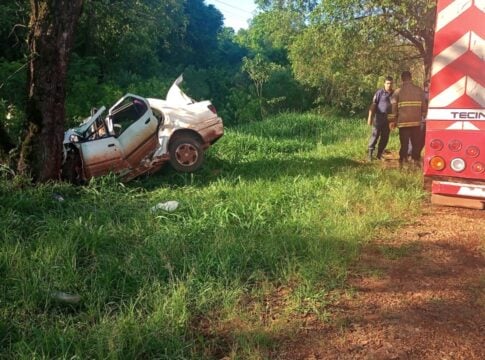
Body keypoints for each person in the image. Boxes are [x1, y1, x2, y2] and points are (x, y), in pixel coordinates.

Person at [389, 71, 427, 167]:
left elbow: (393, 107)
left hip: (403, 123)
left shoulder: (397, 92)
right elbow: (424, 106)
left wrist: (393, 121)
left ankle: (402, 160)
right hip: (416, 122)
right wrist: (423, 115)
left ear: (402, 79)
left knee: (404, 143)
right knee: (416, 142)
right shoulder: (419, 90)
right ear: (411, 78)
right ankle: (415, 159)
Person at [367, 76, 394, 161]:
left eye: (391, 83)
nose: (389, 85)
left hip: (388, 119)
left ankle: (379, 154)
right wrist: (370, 117)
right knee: (375, 136)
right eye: (387, 83)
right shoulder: (379, 93)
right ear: (384, 84)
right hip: (379, 118)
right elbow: (373, 105)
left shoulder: (394, 94)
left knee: (385, 137)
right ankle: (370, 154)